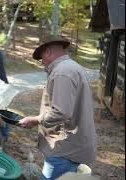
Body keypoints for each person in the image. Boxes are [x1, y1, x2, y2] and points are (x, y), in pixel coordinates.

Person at [17, 35, 97, 180]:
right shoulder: (70, 67)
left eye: (41, 57)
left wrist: (35, 120)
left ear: (47, 51)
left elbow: (61, 111)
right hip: (70, 145)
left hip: (64, 148)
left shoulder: (62, 72)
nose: (42, 62)